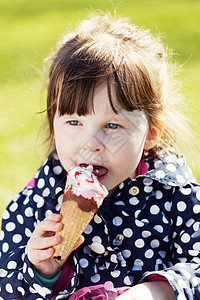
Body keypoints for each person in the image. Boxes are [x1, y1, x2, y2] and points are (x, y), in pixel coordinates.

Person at [0, 13, 200, 300]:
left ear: (152, 133)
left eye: (112, 125)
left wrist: (158, 291)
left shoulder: (177, 197)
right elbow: (8, 290)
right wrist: (41, 271)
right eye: (74, 122)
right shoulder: (36, 202)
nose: (91, 143)